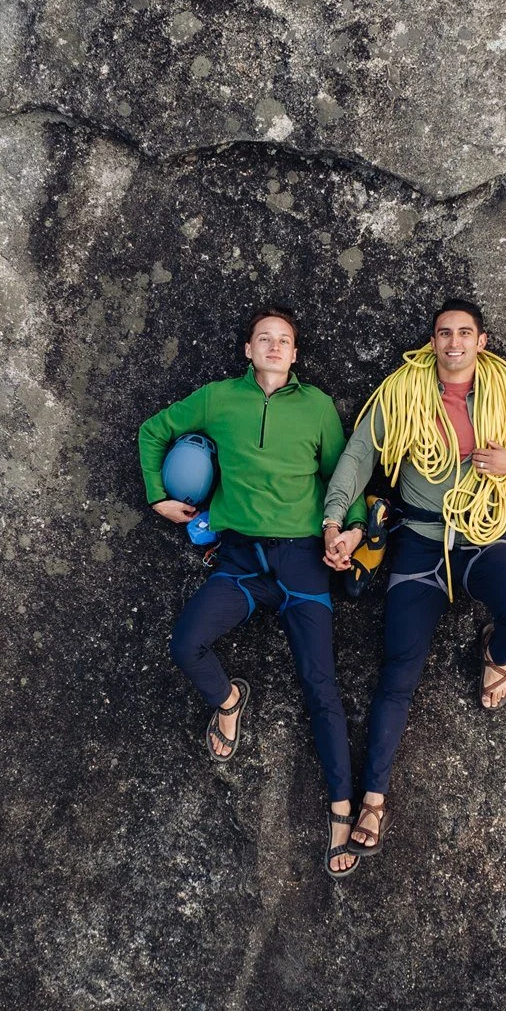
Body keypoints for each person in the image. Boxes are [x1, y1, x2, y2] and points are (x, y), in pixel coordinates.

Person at [138, 306, 369, 878]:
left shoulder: (315, 406)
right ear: (248, 349)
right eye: (263, 338)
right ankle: (228, 701)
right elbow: (153, 430)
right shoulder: (218, 399)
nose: (273, 347)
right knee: (185, 643)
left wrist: (356, 526)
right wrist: (156, 496)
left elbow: (345, 473)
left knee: (320, 685)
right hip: (241, 560)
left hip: (301, 564)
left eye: (283, 340)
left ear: (295, 354)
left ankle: (342, 810)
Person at [320, 299, 506, 858]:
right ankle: (373, 799)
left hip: (482, 531)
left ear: (481, 341)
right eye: (444, 333)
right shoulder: (402, 391)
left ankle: (496, 656)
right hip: (419, 542)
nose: (454, 343)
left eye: (464, 333)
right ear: (433, 340)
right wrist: (334, 517)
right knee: (398, 670)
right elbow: (357, 456)